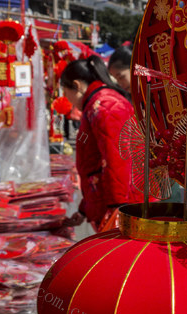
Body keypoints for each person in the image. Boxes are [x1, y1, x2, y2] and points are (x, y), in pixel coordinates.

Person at [60, 56, 139, 231]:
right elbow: (94, 161)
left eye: (66, 94)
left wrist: (117, 208)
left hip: (122, 205)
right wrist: (84, 209)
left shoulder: (105, 106)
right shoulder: (98, 104)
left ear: (77, 86)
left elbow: (117, 160)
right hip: (111, 202)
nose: (69, 101)